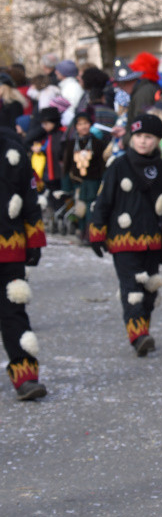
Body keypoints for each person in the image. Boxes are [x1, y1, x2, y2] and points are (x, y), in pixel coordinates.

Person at [88, 114, 162, 356]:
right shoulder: (118, 165)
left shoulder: (161, 168)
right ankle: (137, 335)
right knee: (131, 288)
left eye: (148, 137)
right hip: (123, 240)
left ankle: (143, 330)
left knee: (149, 289)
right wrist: (96, 230)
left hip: (152, 240)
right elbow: (103, 200)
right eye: (138, 136)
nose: (142, 141)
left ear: (157, 140)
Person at [0, 123, 46, 399]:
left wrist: (35, 240)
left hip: (9, 248)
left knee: (13, 313)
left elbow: (31, 199)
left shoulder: (13, 152)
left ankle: (26, 377)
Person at [62, 112, 108, 241]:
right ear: (76, 126)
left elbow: (102, 164)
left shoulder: (98, 144)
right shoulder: (71, 144)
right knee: (79, 207)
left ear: (90, 125)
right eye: (80, 124)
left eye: (86, 123)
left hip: (94, 182)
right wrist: (65, 185)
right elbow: (67, 164)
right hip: (78, 181)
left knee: (91, 207)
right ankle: (81, 231)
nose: (83, 127)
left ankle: (91, 234)